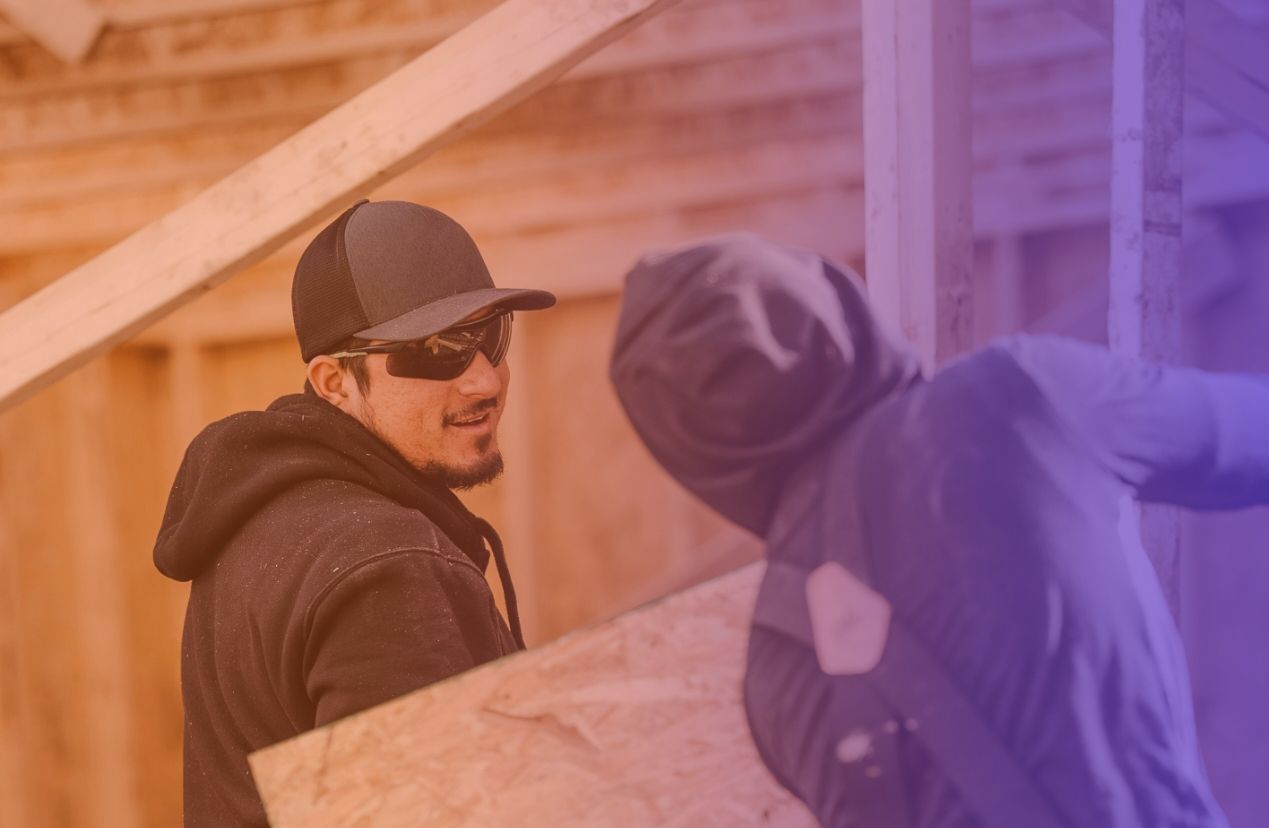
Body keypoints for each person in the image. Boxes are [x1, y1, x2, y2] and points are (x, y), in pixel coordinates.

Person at [609, 234, 1269, 827]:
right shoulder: (1018, 402)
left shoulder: (772, 673)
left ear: (689, 452)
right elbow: (1247, 437)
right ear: (829, 307)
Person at [153, 200, 555, 826]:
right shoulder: (385, 566)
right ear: (334, 382)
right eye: (439, 348)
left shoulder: (263, 525)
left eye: (490, 335)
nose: (485, 381)